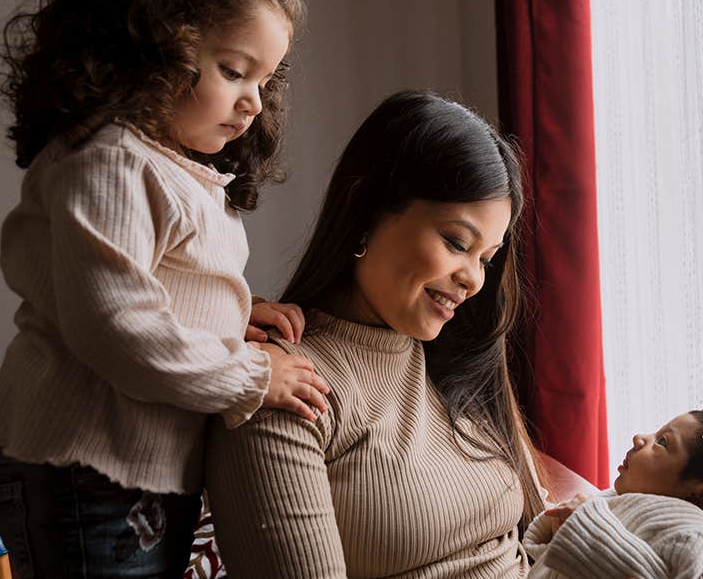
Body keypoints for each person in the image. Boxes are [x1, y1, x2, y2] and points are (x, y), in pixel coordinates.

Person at [0, 0, 328, 576]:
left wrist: (232, 312)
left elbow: (155, 285)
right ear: (154, 50)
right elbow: (116, 327)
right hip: (84, 465)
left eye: (264, 82)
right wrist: (252, 376)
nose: (254, 103)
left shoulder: (165, 168)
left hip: (126, 470)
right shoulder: (112, 162)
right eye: (235, 71)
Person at [205, 90, 546, 578]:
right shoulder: (284, 389)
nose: (474, 280)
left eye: (486, 259)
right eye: (456, 242)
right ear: (366, 210)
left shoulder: (454, 368)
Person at [523, 392, 703, 579]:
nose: (639, 438)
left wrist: (584, 521)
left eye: (662, 443)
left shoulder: (702, 537)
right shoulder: (627, 504)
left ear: (701, 498)